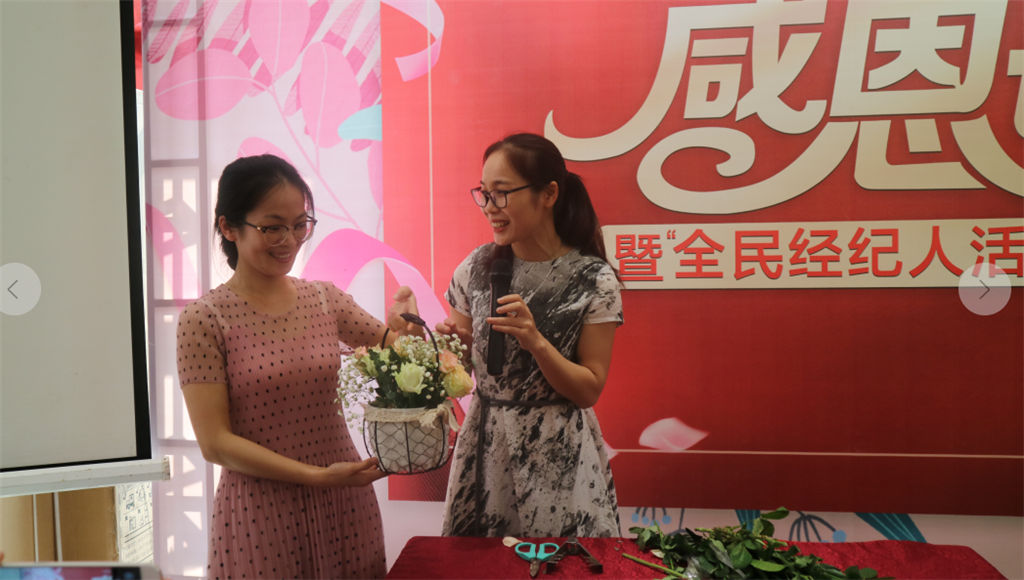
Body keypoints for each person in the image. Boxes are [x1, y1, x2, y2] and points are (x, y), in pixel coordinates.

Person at [176, 154, 418, 579]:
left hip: (344, 501)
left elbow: (400, 354)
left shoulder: (325, 299)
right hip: (260, 513)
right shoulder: (204, 320)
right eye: (272, 227)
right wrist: (317, 477)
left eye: (300, 224)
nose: (288, 240)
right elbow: (215, 444)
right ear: (228, 227)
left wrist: (407, 328)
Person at [437, 133, 622, 537]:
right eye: (484, 194)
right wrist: (454, 353)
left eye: (502, 193)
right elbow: (460, 378)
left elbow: (588, 390)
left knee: (562, 561)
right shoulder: (475, 268)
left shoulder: (593, 279)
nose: (490, 207)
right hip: (485, 445)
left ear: (549, 193)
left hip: (559, 452)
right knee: (482, 562)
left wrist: (536, 342)